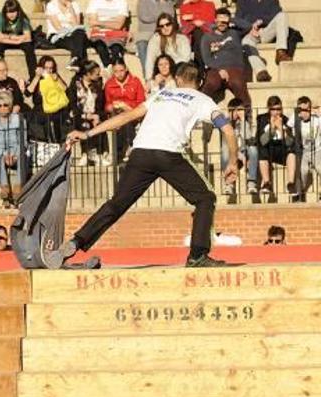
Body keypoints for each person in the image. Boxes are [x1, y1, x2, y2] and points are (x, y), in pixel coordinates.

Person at [56, 62, 239, 268]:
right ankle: (197, 255)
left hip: (140, 154)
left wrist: (87, 133)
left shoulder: (161, 95)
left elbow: (127, 116)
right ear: (200, 82)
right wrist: (232, 162)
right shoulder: (203, 100)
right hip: (168, 154)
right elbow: (228, 130)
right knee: (205, 198)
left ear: (177, 80)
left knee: (117, 204)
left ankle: (76, 241)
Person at [201, 9, 256, 106]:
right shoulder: (207, 37)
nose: (222, 23)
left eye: (224, 21)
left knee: (238, 83)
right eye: (219, 20)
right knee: (211, 83)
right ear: (215, 20)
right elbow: (206, 59)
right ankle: (199, 110)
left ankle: (246, 114)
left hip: (234, 68)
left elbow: (248, 26)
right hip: (215, 69)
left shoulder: (234, 33)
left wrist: (230, 19)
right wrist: (219, 69)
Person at [0, 91, 29, 207]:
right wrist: (5, 155)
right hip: (1, 153)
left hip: (16, 151)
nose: (2, 108)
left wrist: (13, 154)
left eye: (5, 105)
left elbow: (22, 141)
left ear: (10, 106)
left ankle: (18, 187)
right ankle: (4, 189)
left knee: (22, 154)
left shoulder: (19, 120)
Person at [235, 0, 292, 80]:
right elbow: (237, 20)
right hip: (250, 32)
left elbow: (276, 13)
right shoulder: (242, 1)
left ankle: (280, 51)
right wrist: (250, 27)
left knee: (282, 16)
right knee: (246, 42)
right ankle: (261, 71)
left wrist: (260, 21)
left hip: (267, 30)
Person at [69, 60, 110, 167]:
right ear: (88, 74)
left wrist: (97, 116)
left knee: (99, 124)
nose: (99, 75)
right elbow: (72, 105)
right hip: (79, 115)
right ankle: (86, 154)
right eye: (96, 73)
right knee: (85, 124)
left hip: (94, 114)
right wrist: (87, 116)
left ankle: (99, 154)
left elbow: (101, 104)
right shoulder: (75, 85)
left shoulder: (97, 85)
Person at [256, 95, 297, 197]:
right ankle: (266, 183)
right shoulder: (262, 119)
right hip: (268, 149)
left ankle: (291, 184)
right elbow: (262, 141)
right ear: (269, 109)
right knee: (262, 150)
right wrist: (273, 128)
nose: (276, 112)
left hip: (281, 149)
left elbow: (289, 143)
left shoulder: (286, 120)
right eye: (273, 109)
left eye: (278, 109)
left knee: (291, 152)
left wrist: (281, 130)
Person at [104, 60, 146, 159]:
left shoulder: (135, 81)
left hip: (134, 112)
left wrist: (126, 106)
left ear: (126, 69)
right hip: (117, 115)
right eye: (116, 71)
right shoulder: (109, 84)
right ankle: (130, 146)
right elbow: (107, 104)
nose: (119, 74)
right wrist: (112, 107)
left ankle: (119, 153)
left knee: (126, 118)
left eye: (121, 70)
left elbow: (141, 101)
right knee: (123, 120)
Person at [26, 55, 70, 143]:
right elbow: (28, 93)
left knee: (56, 119)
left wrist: (57, 80)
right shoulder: (36, 78)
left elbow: (66, 91)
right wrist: (37, 77)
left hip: (55, 109)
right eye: (46, 68)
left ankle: (56, 142)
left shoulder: (55, 77)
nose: (49, 71)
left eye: (51, 68)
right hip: (41, 110)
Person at [45, 0, 100, 70]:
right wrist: (72, 29)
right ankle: (82, 69)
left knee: (79, 34)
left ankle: (75, 60)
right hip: (57, 36)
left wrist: (71, 9)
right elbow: (58, 28)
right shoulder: (51, 5)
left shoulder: (75, 5)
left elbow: (76, 25)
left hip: (74, 36)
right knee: (80, 43)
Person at [221, 98, 259, 196]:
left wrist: (242, 121)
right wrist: (239, 156)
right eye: (235, 110)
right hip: (232, 152)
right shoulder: (225, 124)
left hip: (244, 150)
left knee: (253, 149)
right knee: (225, 150)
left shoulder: (245, 123)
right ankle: (229, 184)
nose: (237, 113)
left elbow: (249, 139)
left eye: (240, 110)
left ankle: (251, 183)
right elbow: (227, 144)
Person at [0, 0, 37, 79]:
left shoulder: (23, 18)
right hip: (10, 42)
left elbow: (28, 37)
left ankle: (33, 77)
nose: (11, 15)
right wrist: (14, 39)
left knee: (29, 47)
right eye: (8, 12)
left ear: (18, 11)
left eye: (14, 12)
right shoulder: (1, 17)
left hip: (20, 42)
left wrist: (8, 37)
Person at [144, 13, 191, 82]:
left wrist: (170, 67)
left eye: (168, 24)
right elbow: (150, 60)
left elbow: (185, 58)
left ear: (172, 24)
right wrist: (149, 79)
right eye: (162, 26)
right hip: (162, 72)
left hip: (179, 71)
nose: (165, 28)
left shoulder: (182, 39)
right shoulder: (155, 39)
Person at [135, 0, 176, 76]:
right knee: (142, 45)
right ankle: (148, 76)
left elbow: (171, 16)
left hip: (162, 33)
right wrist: (162, 17)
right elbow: (144, 17)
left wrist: (160, 17)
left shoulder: (167, 2)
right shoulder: (142, 2)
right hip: (146, 34)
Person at [85, 0, 129, 68]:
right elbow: (92, 23)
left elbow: (118, 25)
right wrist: (112, 23)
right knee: (100, 47)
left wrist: (99, 22)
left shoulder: (122, 3)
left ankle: (114, 70)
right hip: (99, 35)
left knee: (116, 49)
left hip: (116, 35)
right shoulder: (94, 2)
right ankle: (108, 69)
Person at [295, 96, 321, 198]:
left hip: (318, 150)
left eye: (306, 110)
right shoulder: (297, 121)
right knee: (303, 171)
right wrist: (297, 112)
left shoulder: (317, 120)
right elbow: (290, 123)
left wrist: (317, 112)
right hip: (305, 152)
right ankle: (302, 190)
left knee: (320, 167)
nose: (304, 113)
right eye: (301, 110)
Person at [179, 0, 216, 66]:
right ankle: (201, 68)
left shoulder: (210, 5)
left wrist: (193, 17)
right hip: (189, 36)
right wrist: (197, 21)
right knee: (197, 33)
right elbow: (184, 26)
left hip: (207, 34)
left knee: (199, 34)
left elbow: (211, 22)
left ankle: (199, 67)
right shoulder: (184, 7)